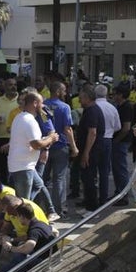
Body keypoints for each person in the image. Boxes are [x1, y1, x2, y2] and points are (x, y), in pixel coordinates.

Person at [6, 90, 59, 200]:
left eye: (24, 101)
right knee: (37, 185)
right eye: (21, 101)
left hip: (39, 152)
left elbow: (50, 130)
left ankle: (43, 211)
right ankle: (47, 211)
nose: (22, 103)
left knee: (37, 185)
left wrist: (45, 149)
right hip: (26, 157)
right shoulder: (20, 115)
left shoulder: (42, 113)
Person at [44, 81, 78, 218]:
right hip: (60, 146)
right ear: (58, 91)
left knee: (42, 179)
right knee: (59, 179)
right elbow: (68, 129)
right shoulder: (64, 107)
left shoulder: (43, 105)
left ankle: (43, 207)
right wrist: (74, 147)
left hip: (45, 146)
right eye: (64, 91)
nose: (65, 93)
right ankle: (58, 210)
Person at [77, 89, 106, 212]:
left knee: (89, 179)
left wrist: (86, 153)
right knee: (85, 178)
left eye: (82, 97)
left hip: (92, 151)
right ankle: (88, 204)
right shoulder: (88, 110)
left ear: (88, 98)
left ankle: (92, 209)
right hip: (88, 149)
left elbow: (92, 132)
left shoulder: (93, 111)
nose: (79, 100)